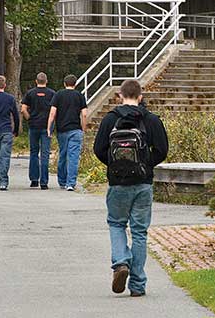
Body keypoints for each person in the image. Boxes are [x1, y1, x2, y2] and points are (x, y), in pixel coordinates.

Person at [93, 79, 168, 297]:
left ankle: (120, 262)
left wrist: (116, 166)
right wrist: (144, 165)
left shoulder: (110, 119)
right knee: (139, 232)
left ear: (120, 95)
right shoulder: (151, 120)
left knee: (116, 224)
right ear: (140, 96)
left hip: (118, 183)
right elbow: (162, 149)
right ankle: (137, 285)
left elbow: (99, 149)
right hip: (143, 184)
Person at [47, 74, 88, 191]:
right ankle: (71, 183)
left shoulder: (58, 95)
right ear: (75, 84)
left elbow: (52, 113)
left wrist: (49, 128)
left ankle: (62, 181)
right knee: (74, 157)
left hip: (62, 130)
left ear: (64, 83)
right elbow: (84, 114)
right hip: (75, 129)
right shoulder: (80, 96)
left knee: (63, 155)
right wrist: (83, 128)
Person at [21, 72, 55, 190]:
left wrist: (29, 118)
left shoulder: (30, 93)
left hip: (34, 125)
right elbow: (54, 110)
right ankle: (44, 182)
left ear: (36, 81)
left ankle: (34, 180)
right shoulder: (51, 94)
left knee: (34, 152)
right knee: (45, 154)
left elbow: (23, 109)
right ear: (46, 81)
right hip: (46, 126)